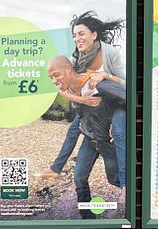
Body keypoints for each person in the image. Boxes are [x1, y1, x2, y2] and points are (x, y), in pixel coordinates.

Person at [42, 11, 127, 197]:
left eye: (81, 33)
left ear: (94, 34)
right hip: (92, 108)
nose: (77, 38)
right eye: (74, 35)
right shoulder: (75, 59)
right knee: (75, 128)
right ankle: (58, 169)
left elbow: (126, 85)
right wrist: (84, 100)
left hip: (118, 102)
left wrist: (105, 75)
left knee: (119, 131)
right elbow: (66, 88)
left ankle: (126, 185)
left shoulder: (109, 53)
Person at [47, 54, 124, 219]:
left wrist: (119, 124)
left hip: (107, 141)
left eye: (56, 74)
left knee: (114, 179)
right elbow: (76, 124)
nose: (54, 80)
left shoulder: (98, 85)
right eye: (51, 77)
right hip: (89, 140)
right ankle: (87, 217)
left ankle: (135, 195)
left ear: (68, 68)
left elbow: (128, 98)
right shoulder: (69, 90)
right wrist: (56, 167)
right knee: (79, 177)